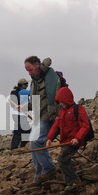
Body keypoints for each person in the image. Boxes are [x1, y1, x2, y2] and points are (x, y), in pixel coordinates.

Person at [19, 56, 62, 184]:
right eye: (27, 71)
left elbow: (57, 98)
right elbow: (35, 102)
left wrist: (56, 117)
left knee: (36, 142)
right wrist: (24, 107)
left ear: (37, 64)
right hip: (41, 116)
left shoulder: (51, 77)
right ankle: (40, 174)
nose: (29, 73)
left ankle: (48, 169)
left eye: (30, 70)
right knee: (34, 142)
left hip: (51, 116)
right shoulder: (35, 81)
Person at [46, 87, 90, 186]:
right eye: (59, 102)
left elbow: (85, 126)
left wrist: (77, 138)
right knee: (63, 160)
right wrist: (50, 138)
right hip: (65, 142)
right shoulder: (61, 112)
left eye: (61, 101)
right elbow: (56, 127)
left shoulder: (78, 109)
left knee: (62, 159)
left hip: (74, 142)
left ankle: (74, 182)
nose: (60, 104)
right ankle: (70, 183)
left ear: (67, 99)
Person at [10, 78, 32, 150]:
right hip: (20, 114)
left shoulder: (19, 92)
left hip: (18, 114)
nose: (27, 85)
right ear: (22, 85)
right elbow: (31, 93)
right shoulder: (23, 92)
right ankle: (14, 148)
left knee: (24, 130)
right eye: (26, 84)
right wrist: (33, 85)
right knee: (19, 131)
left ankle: (22, 145)